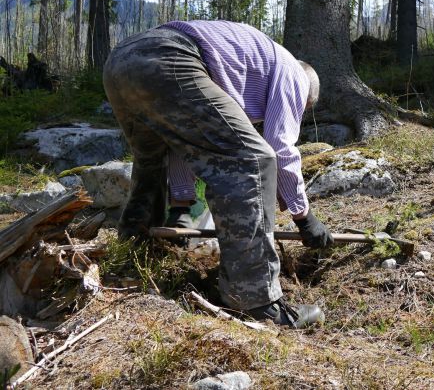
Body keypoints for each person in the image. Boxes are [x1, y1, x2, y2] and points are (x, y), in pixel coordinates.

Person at [103, 20, 333, 329]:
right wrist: (304, 216)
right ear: (307, 100)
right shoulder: (295, 75)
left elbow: (181, 138)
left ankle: (131, 262)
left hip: (123, 60)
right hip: (172, 55)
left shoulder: (248, 68)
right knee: (252, 158)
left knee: (151, 161)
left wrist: (182, 206)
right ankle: (256, 299)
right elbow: (279, 148)